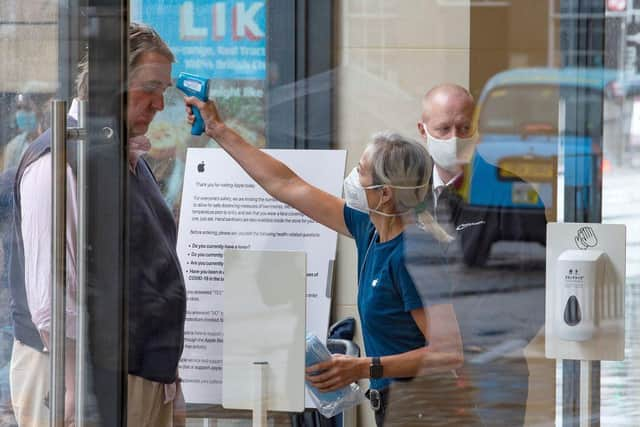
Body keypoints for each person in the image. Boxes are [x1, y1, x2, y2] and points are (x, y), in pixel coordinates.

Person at [184, 96, 463, 426]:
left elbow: (448, 353)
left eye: (361, 171)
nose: (353, 179)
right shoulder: (370, 230)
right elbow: (285, 184)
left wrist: (364, 367)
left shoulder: (412, 254)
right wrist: (218, 130)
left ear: (385, 193)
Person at [9, 22, 186, 427]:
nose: (159, 104)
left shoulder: (124, 156)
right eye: (151, 87)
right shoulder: (57, 161)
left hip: (136, 378)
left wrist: (170, 385)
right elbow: (50, 302)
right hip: (82, 381)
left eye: (165, 90)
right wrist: (77, 388)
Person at [397, 83, 544, 426]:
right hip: (421, 369)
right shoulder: (405, 198)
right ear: (422, 131)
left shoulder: (511, 194)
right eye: (443, 129)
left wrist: (485, 349)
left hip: (490, 370)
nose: (454, 138)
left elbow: (536, 288)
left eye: (464, 128)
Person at [3, 94, 45, 171]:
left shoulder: (51, 143)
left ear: (39, 111)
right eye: (19, 108)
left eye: (27, 108)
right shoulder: (13, 147)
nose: (21, 113)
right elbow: (8, 179)